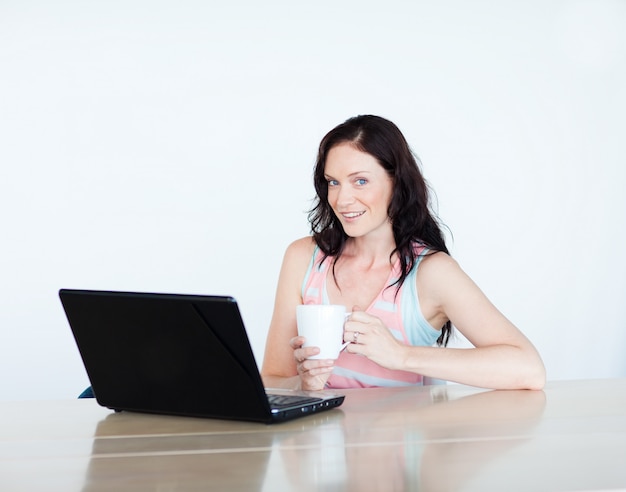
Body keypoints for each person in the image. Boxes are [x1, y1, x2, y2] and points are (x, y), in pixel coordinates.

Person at [261, 115, 545, 391]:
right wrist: (304, 384)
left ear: (396, 183)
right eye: (333, 182)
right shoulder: (303, 257)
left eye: (360, 181)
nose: (341, 199)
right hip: (322, 438)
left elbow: (528, 369)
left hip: (401, 438)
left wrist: (400, 355)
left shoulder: (431, 272)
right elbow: (273, 378)